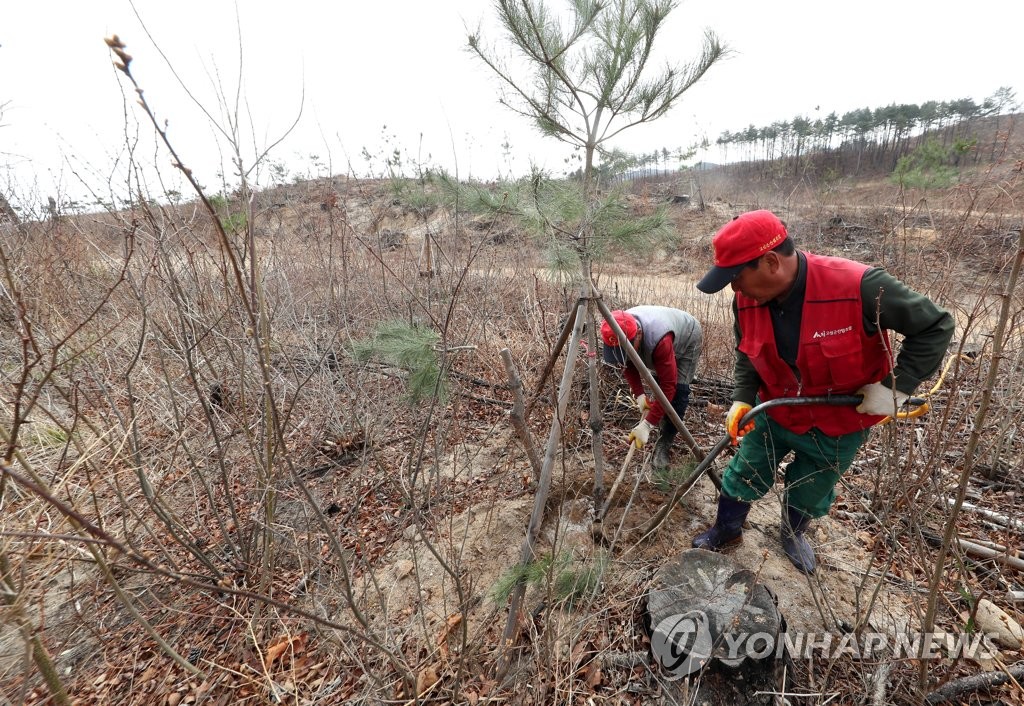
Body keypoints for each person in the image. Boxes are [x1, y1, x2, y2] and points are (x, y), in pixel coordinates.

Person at [692, 210, 954, 574]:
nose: (734, 289)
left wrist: (896, 389)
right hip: (775, 410)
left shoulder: (858, 286)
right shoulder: (747, 298)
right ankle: (727, 528)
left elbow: (935, 326)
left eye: (736, 277)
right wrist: (741, 397)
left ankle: (793, 533)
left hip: (841, 421)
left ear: (770, 262)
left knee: (813, 484)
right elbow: (747, 352)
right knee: (746, 469)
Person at [600, 306, 703, 469]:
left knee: (678, 391)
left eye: (627, 348)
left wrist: (648, 424)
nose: (623, 354)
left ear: (638, 334)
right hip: (659, 342)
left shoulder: (659, 340)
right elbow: (627, 363)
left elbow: (669, 386)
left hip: (688, 336)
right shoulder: (619, 327)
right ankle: (668, 371)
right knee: (658, 381)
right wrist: (640, 395)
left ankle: (665, 442)